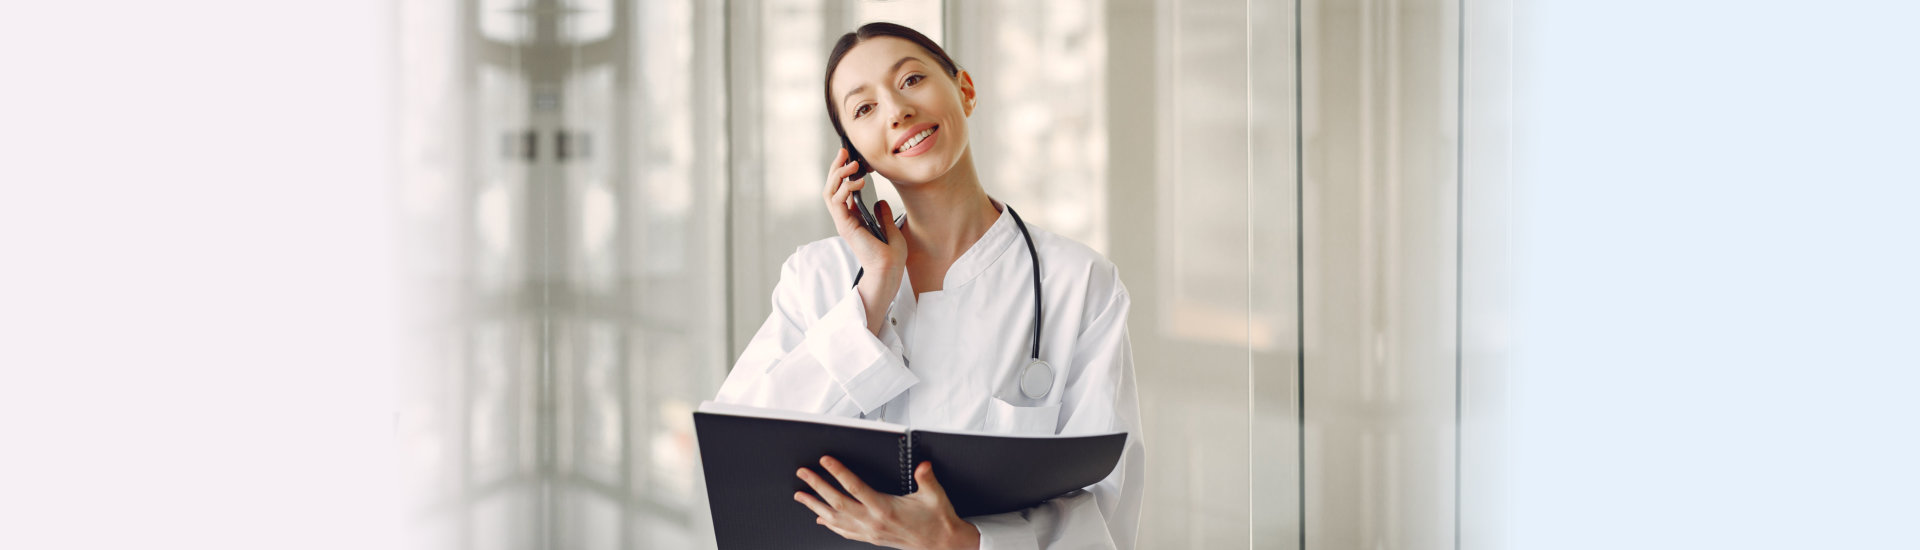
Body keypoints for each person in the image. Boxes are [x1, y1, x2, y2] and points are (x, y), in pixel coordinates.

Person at [714, 22, 1144, 550]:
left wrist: (963, 541)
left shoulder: (1079, 284)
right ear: (853, 154)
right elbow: (738, 452)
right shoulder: (816, 278)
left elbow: (1108, 504)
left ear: (964, 89)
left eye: (911, 79)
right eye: (864, 109)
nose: (896, 111)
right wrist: (873, 294)